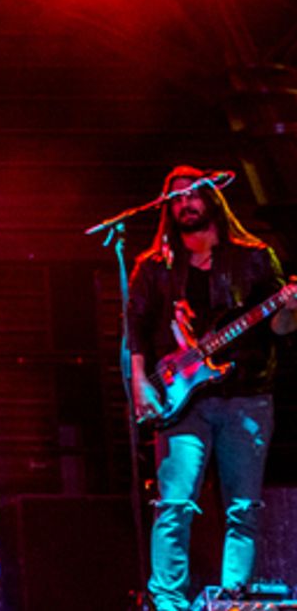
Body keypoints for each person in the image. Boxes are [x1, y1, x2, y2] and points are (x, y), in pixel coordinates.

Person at [126, 165, 297, 611]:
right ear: (167, 208)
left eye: (193, 195)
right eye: (176, 198)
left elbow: (281, 327)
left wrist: (290, 307)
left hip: (247, 396)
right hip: (181, 402)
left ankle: (233, 596)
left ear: (212, 201)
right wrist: (139, 385)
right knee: (174, 503)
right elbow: (137, 333)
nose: (185, 203)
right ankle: (168, 600)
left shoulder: (254, 257)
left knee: (243, 506)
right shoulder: (154, 267)